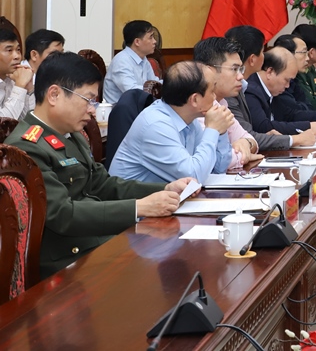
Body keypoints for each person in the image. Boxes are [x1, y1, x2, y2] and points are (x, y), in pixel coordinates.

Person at [3, 52, 189, 277]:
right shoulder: (27, 147)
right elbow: (62, 215)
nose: (93, 110)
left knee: (175, 255)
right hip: (68, 260)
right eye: (88, 100)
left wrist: (166, 189)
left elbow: (103, 185)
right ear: (54, 95)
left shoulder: (72, 134)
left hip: (97, 241)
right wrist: (139, 207)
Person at [109, 61, 235, 183]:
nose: (215, 97)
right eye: (212, 91)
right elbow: (194, 177)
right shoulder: (156, 125)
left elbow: (217, 169)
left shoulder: (188, 119)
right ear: (195, 99)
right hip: (134, 196)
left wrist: (221, 131)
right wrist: (212, 129)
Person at [223, 27, 316, 148]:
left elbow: (288, 113)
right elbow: (251, 135)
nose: (265, 56)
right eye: (262, 52)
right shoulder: (242, 90)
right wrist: (294, 139)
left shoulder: (243, 86)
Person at [191, 37, 266, 169]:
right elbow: (215, 160)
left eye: (241, 69)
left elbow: (250, 140)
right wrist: (243, 156)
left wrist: (246, 143)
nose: (241, 76)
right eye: (234, 69)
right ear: (209, 71)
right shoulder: (196, 105)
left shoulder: (220, 103)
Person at [245, 47, 316, 136]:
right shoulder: (250, 90)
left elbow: (289, 115)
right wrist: (309, 126)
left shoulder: (272, 90)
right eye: (286, 80)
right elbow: (263, 126)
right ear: (270, 72)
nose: (287, 86)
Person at [271, 33, 316, 124]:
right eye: (303, 53)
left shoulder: (294, 81)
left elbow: (309, 107)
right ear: (287, 54)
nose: (307, 58)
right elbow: (291, 114)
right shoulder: (278, 83)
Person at [103, 20, 161, 104]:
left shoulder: (143, 59)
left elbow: (154, 82)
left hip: (138, 106)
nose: (154, 41)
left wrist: (169, 86)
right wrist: (156, 89)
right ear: (137, 42)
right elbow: (132, 92)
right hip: (120, 110)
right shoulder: (121, 61)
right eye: (151, 37)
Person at [0, 27, 33, 119]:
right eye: (9, 50)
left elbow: (28, 120)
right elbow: (4, 123)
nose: (17, 56)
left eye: (18, 50)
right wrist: (20, 86)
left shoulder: (12, 80)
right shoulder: (18, 83)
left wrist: (29, 89)